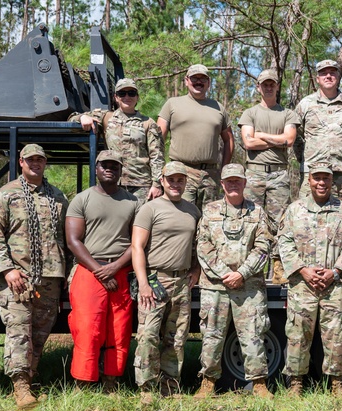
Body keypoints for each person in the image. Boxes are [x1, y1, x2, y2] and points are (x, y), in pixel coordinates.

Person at [0, 144, 69, 410]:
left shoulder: (57, 197)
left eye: (40, 159)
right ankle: (20, 386)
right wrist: (7, 270)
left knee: (40, 332)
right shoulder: (5, 195)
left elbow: (64, 237)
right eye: (30, 160)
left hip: (50, 277)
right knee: (19, 330)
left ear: (45, 163)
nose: (35, 164)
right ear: (21, 162)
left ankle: (30, 377)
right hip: (17, 276)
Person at [277, 162, 342, 398]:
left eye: (326, 178)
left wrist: (335, 272)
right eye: (317, 178)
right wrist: (302, 270)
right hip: (303, 284)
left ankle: (337, 384)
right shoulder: (294, 210)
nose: (321, 183)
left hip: (333, 284)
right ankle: (295, 384)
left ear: (332, 181)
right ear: (309, 180)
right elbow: (284, 242)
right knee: (297, 334)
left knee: (337, 334)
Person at [193, 164, 274, 399]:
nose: (233, 184)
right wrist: (223, 274)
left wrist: (242, 273)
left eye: (237, 180)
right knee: (212, 336)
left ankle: (259, 384)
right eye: (229, 181)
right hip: (215, 286)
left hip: (248, 287)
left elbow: (263, 247)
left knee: (253, 334)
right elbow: (204, 246)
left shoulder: (257, 212)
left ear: (245, 182)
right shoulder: (210, 211)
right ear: (222, 184)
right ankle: (208, 382)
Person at [64, 150, 140, 392]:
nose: (109, 169)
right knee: (88, 327)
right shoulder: (82, 199)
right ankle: (82, 383)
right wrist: (99, 270)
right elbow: (73, 241)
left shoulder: (133, 201)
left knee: (119, 329)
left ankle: (111, 381)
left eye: (114, 166)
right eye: (105, 165)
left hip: (120, 271)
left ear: (120, 171)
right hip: (89, 270)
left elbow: (138, 242)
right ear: (96, 169)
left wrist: (116, 267)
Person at [131, 161, 201, 404]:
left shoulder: (193, 210)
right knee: (149, 335)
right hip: (155, 279)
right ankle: (147, 388)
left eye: (180, 180)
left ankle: (169, 386)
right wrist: (143, 283)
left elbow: (198, 246)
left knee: (176, 337)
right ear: (162, 180)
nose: (175, 184)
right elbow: (137, 247)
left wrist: (196, 269)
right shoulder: (149, 209)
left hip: (182, 281)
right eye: (171, 179)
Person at [239, 69, 299, 282]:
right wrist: (277, 138)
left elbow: (289, 140)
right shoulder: (250, 113)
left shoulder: (287, 114)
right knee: (252, 219)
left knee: (279, 222)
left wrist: (261, 135)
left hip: (279, 173)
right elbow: (248, 142)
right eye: (264, 84)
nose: (268, 87)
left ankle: (278, 268)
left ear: (277, 86)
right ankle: (251, 268)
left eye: (272, 83)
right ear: (258, 87)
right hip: (254, 172)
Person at [71, 78, 165, 205]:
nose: (127, 97)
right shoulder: (106, 117)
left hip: (140, 186)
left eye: (131, 93)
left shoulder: (148, 123)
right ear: (116, 97)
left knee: (139, 223)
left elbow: (157, 156)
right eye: (122, 93)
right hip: (113, 183)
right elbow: (71, 119)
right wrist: (82, 117)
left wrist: (157, 184)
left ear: (137, 97)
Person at [157, 64, 235, 208]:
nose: (198, 82)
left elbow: (229, 140)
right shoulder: (172, 104)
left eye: (202, 79)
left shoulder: (218, 108)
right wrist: (160, 174)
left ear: (208, 83)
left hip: (210, 175)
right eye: (194, 78)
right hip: (180, 174)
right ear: (186, 80)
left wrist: (224, 170)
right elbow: (157, 140)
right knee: (182, 218)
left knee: (209, 220)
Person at [294, 60, 342, 210]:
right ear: (317, 78)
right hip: (313, 171)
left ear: (338, 77)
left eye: (332, 72)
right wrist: (305, 157)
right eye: (323, 73)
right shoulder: (305, 104)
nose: (328, 76)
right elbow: (296, 135)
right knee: (307, 215)